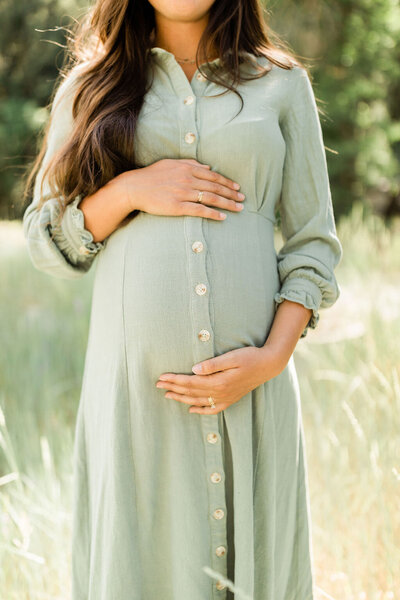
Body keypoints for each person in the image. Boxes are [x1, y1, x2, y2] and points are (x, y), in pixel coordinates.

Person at [22, 0, 343, 598]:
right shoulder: (90, 87)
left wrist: (271, 359)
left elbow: (313, 245)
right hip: (135, 402)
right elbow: (46, 239)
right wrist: (130, 189)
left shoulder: (282, 84)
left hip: (255, 389)